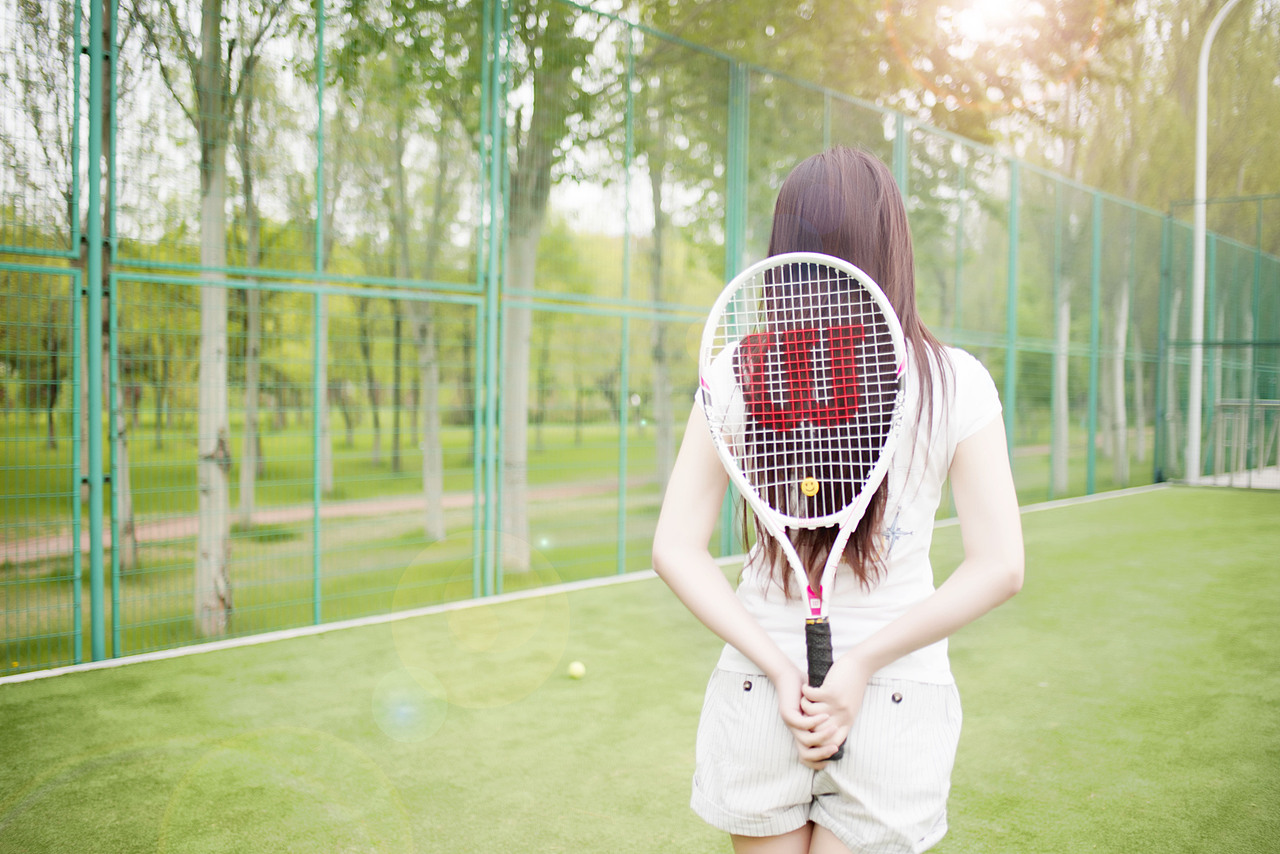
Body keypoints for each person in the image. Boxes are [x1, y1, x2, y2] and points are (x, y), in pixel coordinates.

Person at [651, 146, 1024, 854]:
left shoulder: (738, 372)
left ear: (783, 250)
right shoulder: (956, 380)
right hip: (897, 695)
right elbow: (1000, 565)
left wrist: (780, 665)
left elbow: (674, 548)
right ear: (894, 244)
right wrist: (857, 666)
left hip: (765, 694)